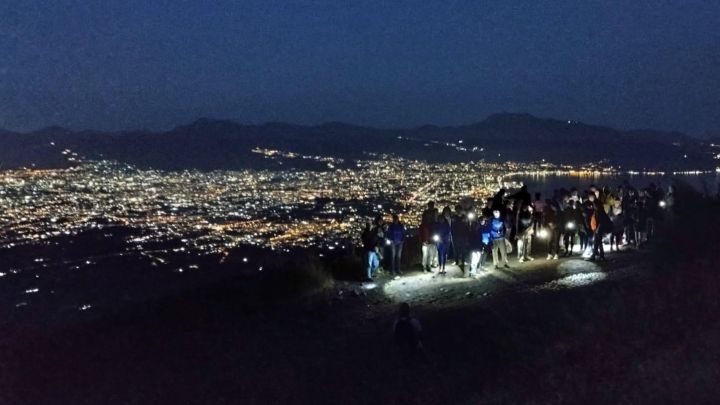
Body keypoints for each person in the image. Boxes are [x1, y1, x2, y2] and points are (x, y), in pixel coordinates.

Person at [452, 205, 470, 273]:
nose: (458, 211)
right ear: (456, 210)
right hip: (456, 236)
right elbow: (452, 227)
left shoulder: (464, 217)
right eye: (457, 210)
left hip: (463, 236)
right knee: (456, 249)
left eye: (459, 209)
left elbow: (467, 226)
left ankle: (463, 261)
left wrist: (467, 236)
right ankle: (456, 261)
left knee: (463, 249)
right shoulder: (454, 217)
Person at [435, 207, 453, 274]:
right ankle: (440, 267)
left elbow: (448, 231)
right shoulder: (437, 224)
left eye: (441, 219)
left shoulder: (446, 224)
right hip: (440, 241)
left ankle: (443, 267)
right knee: (440, 254)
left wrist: (444, 238)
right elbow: (436, 232)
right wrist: (439, 239)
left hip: (445, 241)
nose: (441, 220)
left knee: (444, 254)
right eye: (440, 219)